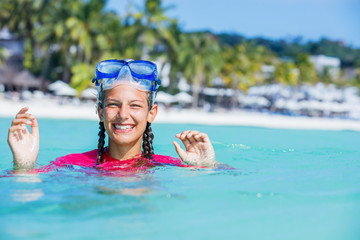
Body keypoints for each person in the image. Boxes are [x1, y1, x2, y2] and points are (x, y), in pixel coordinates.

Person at [7, 59, 218, 173]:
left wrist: (207, 165)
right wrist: (24, 165)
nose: (123, 115)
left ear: (151, 113)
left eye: (135, 105)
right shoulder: (73, 165)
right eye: (114, 105)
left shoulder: (168, 166)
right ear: (100, 111)